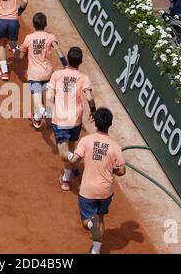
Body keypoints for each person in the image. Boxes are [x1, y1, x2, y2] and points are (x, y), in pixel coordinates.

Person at [67, 108, 126, 254]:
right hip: (106, 192)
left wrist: (67, 156)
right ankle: (96, 250)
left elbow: (74, 161)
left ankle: (90, 224)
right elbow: (122, 171)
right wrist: (110, 169)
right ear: (110, 124)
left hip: (88, 190)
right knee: (100, 218)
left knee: (87, 222)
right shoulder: (116, 147)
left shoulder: (86, 141)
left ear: (95, 122)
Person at [46, 47, 95, 191]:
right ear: (81, 62)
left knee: (64, 153)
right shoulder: (83, 77)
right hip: (76, 119)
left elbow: (49, 97)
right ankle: (66, 178)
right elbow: (89, 97)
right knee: (72, 146)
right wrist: (93, 110)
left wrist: (48, 114)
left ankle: (80, 162)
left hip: (60, 119)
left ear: (68, 58)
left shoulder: (57, 74)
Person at [18, 12, 68, 129]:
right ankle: (37, 119)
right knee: (48, 96)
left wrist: (17, 52)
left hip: (34, 75)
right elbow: (58, 50)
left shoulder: (29, 38)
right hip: (47, 73)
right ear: (45, 24)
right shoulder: (51, 37)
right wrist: (65, 65)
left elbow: (20, 57)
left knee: (37, 100)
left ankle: (45, 114)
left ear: (33, 24)